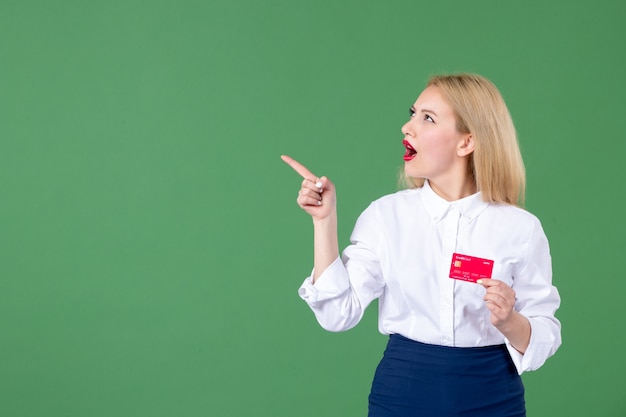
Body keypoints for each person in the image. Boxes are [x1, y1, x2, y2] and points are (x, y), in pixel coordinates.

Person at [281, 73, 561, 417]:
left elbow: (545, 332)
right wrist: (324, 222)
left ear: (466, 142)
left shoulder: (520, 228)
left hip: (493, 396)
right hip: (403, 394)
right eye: (412, 113)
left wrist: (510, 321)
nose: (406, 127)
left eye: (427, 118)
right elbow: (338, 314)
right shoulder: (386, 216)